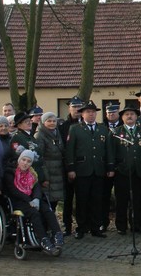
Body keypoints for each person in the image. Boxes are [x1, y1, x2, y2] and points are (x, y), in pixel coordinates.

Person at [65, 100, 115, 239]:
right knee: (82, 200)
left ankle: (95, 227)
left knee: (97, 200)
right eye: (88, 112)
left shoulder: (103, 129)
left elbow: (108, 149)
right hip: (82, 170)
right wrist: (71, 168)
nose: (91, 115)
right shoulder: (75, 129)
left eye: (93, 112)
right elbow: (70, 150)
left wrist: (110, 166)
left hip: (99, 170)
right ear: (82, 114)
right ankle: (81, 228)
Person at [4, 150, 63, 256]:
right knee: (34, 213)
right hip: (18, 201)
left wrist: (36, 199)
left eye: (29, 161)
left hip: (32, 199)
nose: (25, 163)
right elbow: (13, 191)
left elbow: (37, 188)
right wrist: (29, 200)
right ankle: (43, 240)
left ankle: (57, 234)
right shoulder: (10, 173)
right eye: (23, 160)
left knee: (47, 210)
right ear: (19, 160)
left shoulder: (32, 174)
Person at [112, 105, 141, 235]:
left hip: (138, 171)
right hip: (121, 171)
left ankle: (137, 225)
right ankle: (121, 226)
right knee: (122, 200)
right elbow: (111, 152)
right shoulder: (116, 132)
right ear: (122, 117)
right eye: (127, 114)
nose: (129, 116)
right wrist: (113, 167)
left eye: (132, 114)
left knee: (137, 200)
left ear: (136, 117)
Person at [59, 96, 84, 235]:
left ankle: (82, 226)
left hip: (83, 168)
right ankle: (67, 226)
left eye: (79, 107)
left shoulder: (86, 125)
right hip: (68, 168)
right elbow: (64, 148)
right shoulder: (63, 126)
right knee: (68, 200)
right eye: (74, 107)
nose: (77, 110)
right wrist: (69, 168)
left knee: (81, 199)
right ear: (69, 108)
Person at [34, 112, 65, 212]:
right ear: (43, 122)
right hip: (47, 173)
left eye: (54, 121)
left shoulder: (57, 133)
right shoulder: (40, 135)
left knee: (54, 202)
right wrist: (44, 177)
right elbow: (39, 158)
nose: (52, 123)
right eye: (49, 121)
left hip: (57, 174)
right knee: (47, 203)